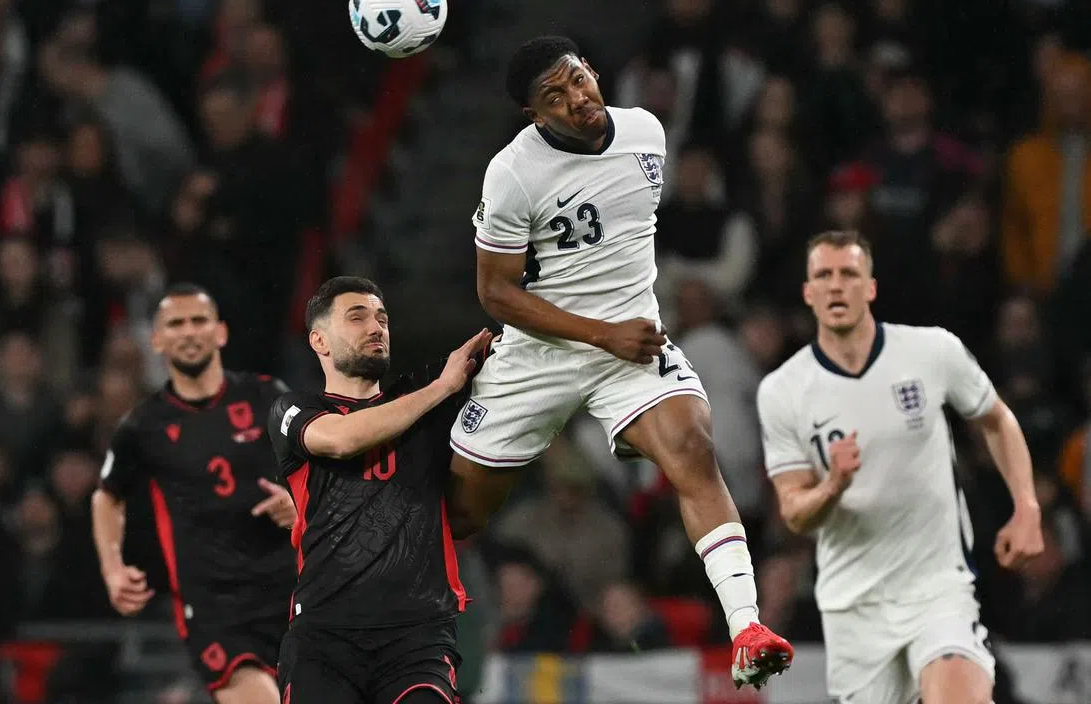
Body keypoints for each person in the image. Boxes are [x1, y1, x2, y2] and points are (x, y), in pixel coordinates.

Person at [444, 35, 792, 689]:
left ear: (593, 71)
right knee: (463, 508)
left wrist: (622, 333)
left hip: (628, 347)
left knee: (693, 445)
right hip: (542, 353)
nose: (577, 98)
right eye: (554, 96)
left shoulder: (645, 133)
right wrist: (598, 333)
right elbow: (494, 292)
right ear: (534, 115)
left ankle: (748, 626)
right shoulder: (513, 173)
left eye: (577, 79)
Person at [757, 230, 1045, 704]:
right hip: (854, 605)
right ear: (808, 293)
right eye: (823, 276)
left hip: (937, 587)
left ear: (870, 287)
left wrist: (1027, 505)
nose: (836, 286)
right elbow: (793, 511)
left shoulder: (931, 352)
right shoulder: (783, 390)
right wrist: (833, 484)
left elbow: (996, 419)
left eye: (848, 274)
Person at [268, 276, 493, 704]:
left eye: (382, 318)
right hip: (323, 638)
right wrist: (444, 387)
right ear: (320, 340)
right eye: (358, 317)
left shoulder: (426, 395)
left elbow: (519, 355)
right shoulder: (294, 409)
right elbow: (341, 439)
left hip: (419, 637)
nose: (376, 327)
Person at [93, 283, 297, 704]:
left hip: (293, 588)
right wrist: (113, 568)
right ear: (157, 340)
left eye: (199, 320)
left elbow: (321, 467)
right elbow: (107, 496)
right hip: (214, 608)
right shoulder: (144, 425)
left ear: (220, 332)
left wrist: (298, 505)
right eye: (176, 323)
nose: (189, 332)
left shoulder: (266, 395)